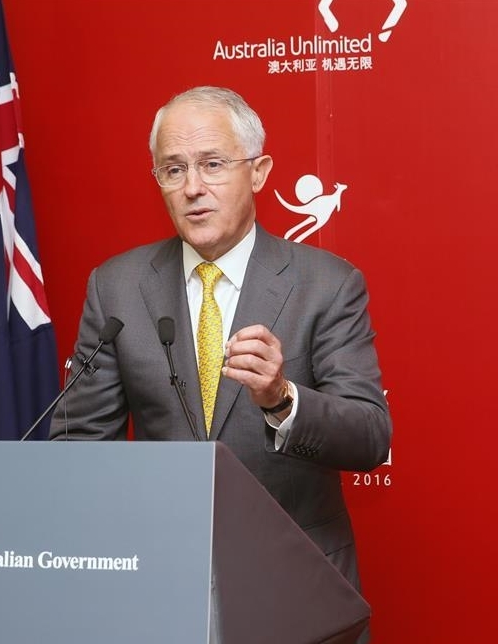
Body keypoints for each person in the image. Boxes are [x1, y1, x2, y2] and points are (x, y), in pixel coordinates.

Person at [49, 86, 391, 605]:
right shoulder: (116, 287)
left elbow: (369, 437)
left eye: (212, 165)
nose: (192, 188)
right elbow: (79, 447)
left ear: (258, 172)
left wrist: (282, 399)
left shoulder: (327, 285)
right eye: (174, 169)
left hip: (294, 586)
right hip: (159, 582)